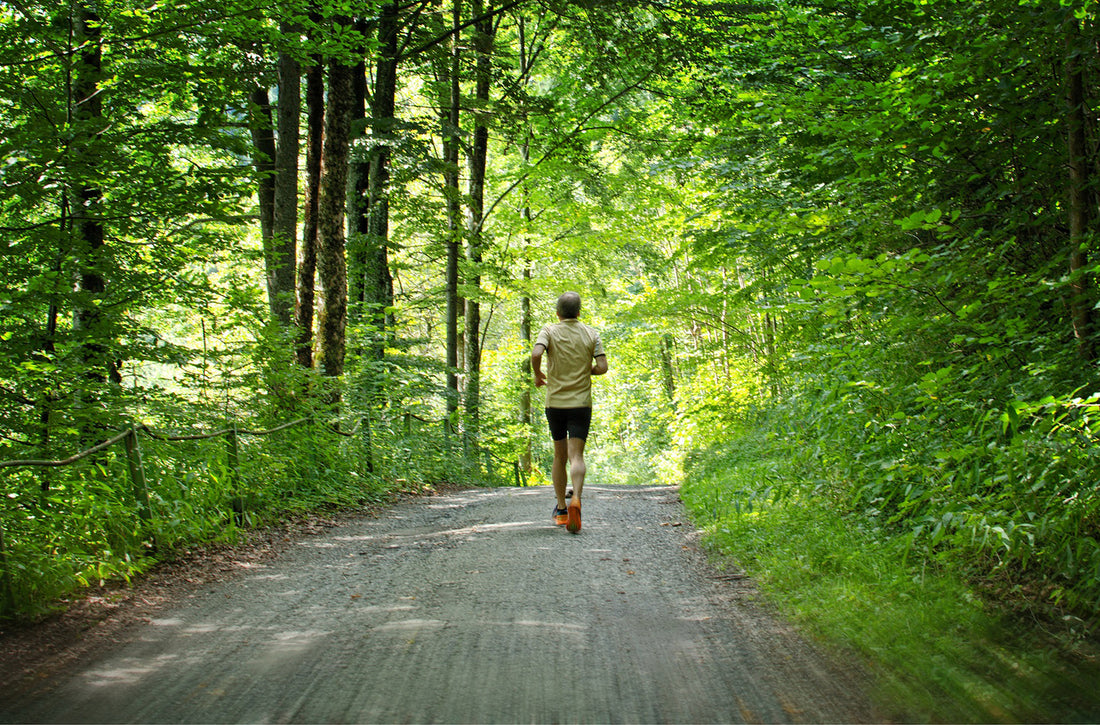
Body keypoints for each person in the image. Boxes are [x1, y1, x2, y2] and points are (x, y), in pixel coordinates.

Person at [531, 291, 608, 533]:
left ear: (557, 312)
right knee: (577, 456)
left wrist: (538, 373)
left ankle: (562, 510)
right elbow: (603, 367)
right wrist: (588, 371)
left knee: (559, 456)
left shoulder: (549, 330)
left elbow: (536, 353)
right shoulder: (591, 333)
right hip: (581, 403)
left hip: (555, 403)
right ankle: (577, 499)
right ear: (578, 312)